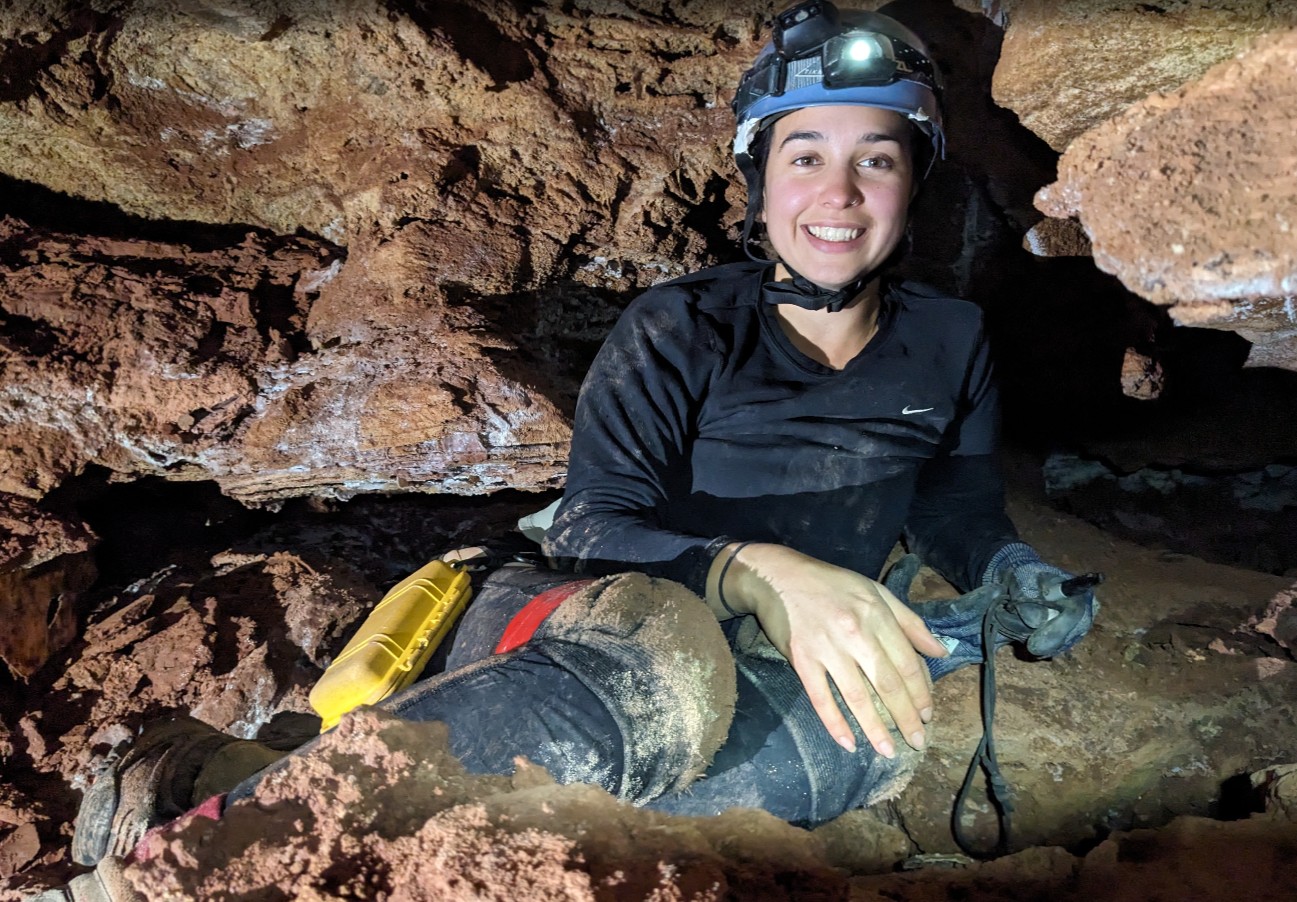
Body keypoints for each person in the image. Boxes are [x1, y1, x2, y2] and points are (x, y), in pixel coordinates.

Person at [63, 1, 1098, 891]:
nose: (838, 193)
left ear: (910, 181)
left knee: (866, 742)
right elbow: (598, 523)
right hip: (584, 616)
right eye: (805, 156)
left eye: (874, 158)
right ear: (760, 179)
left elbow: (955, 507)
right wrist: (753, 571)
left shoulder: (951, 341)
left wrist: (1009, 571)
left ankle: (253, 782)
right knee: (666, 660)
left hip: (767, 654)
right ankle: (183, 862)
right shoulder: (680, 327)